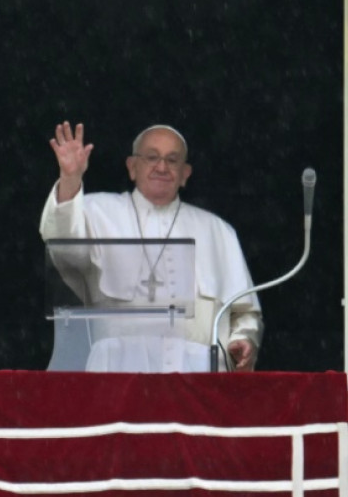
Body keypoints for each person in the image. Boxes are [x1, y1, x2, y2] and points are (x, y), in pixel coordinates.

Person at [39, 121, 263, 372]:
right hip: (118, 372)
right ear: (132, 167)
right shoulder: (95, 212)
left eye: (172, 159)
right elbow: (63, 247)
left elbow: (245, 313)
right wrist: (70, 178)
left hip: (197, 376)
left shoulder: (218, 231)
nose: (162, 167)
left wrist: (243, 340)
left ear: (185, 174)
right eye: (151, 157)